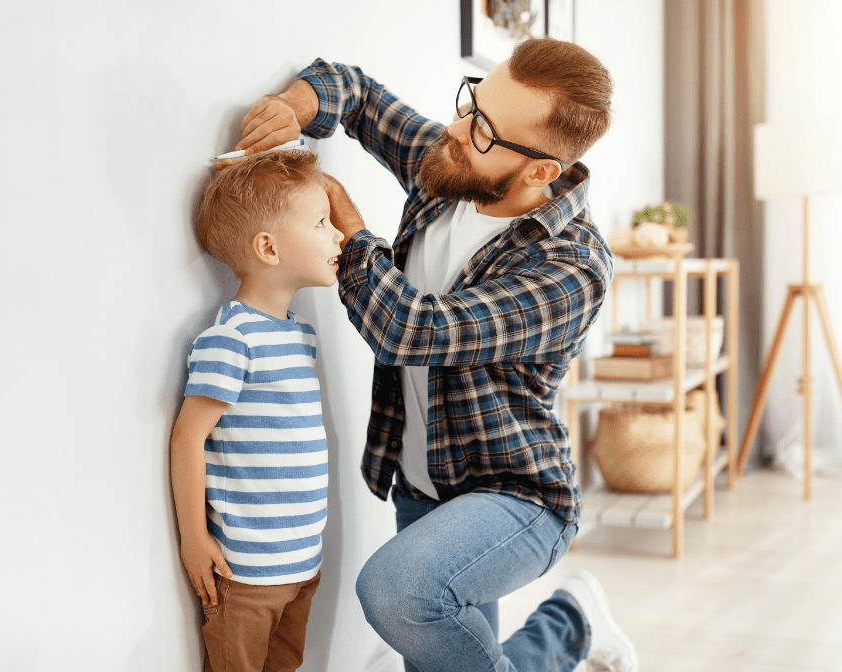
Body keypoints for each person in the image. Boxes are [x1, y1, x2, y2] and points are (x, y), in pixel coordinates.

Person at [229, 38, 638, 672]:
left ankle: (570, 619)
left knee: (397, 591)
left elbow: (412, 330)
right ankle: (571, 622)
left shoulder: (571, 269)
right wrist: (295, 105)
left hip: (517, 496)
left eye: (484, 130)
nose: (456, 128)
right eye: (472, 100)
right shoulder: (459, 162)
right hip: (423, 486)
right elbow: (358, 93)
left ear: (539, 172)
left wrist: (349, 224)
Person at [169, 149, 344, 672]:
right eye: (321, 222)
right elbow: (187, 438)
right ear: (267, 247)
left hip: (301, 563)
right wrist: (194, 539)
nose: (338, 235)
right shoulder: (231, 339)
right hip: (246, 574)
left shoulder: (300, 335)